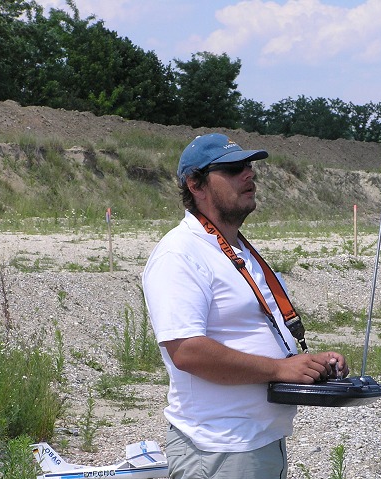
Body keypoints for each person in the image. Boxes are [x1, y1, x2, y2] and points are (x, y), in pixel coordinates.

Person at [142, 133, 349, 479]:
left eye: (250, 166)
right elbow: (187, 351)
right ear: (196, 184)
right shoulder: (179, 254)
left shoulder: (240, 251)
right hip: (218, 450)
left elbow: (250, 332)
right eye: (234, 168)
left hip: (260, 443)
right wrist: (280, 370)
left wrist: (311, 365)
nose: (249, 175)